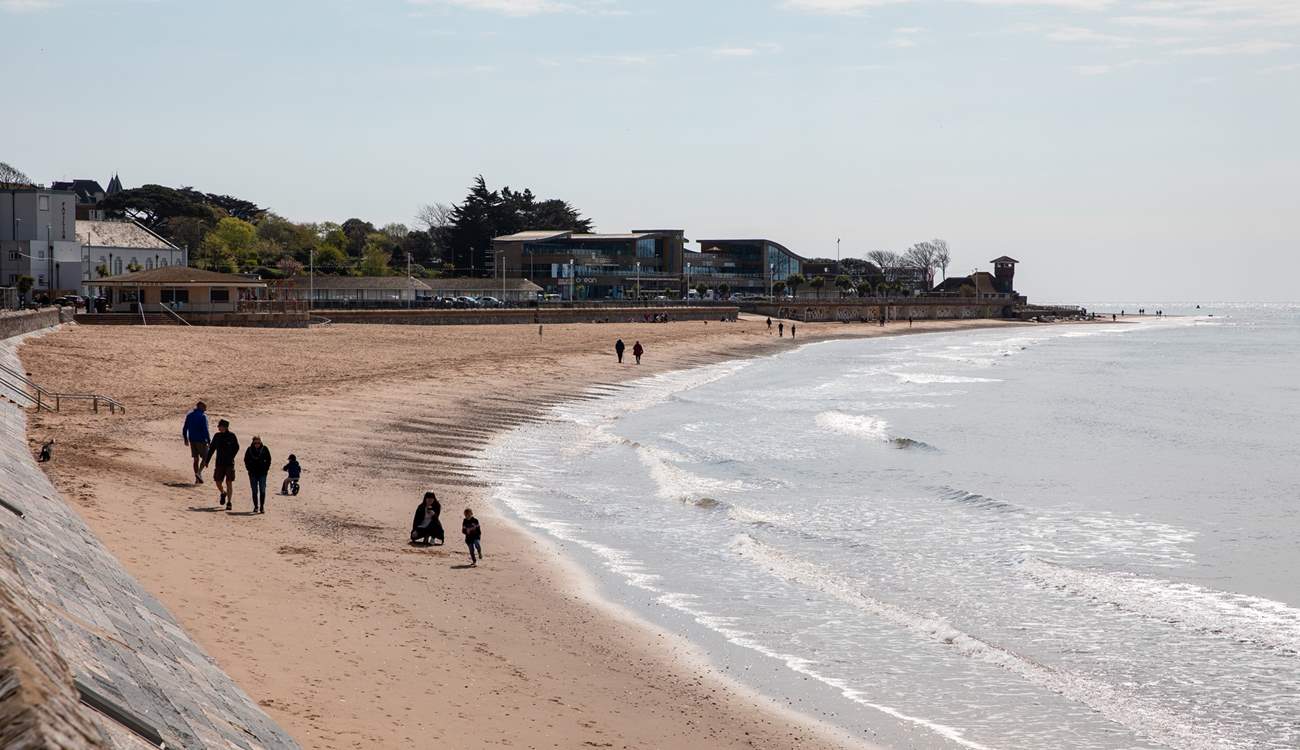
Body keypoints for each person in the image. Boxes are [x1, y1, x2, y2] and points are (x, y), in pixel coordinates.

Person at [202, 419, 240, 509]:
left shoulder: (232, 436)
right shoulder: (217, 436)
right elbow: (211, 449)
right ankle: (223, 493)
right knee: (218, 481)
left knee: (229, 482)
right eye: (219, 426)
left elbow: (237, 447)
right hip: (219, 463)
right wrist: (207, 461)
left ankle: (229, 502)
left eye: (220, 426)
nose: (219, 427)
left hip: (229, 463)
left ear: (225, 427)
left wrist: (232, 456)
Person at [182, 401, 210, 484]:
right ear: (200, 407)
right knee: (206, 457)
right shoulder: (203, 416)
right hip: (201, 440)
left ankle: (197, 479)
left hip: (192, 440)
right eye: (204, 407)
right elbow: (205, 430)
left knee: (196, 459)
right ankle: (199, 473)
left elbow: (185, 428)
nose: (206, 409)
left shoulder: (190, 415)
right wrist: (209, 440)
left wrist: (185, 438)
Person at [243, 436, 272, 513]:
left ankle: (262, 507)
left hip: (262, 473)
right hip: (252, 473)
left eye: (258, 442)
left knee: (262, 490)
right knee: (254, 491)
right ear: (253, 442)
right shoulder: (249, 449)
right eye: (255, 443)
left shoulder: (265, 449)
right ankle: (256, 507)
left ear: (261, 442)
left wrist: (266, 468)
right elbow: (246, 460)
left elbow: (269, 459)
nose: (257, 444)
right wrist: (249, 469)